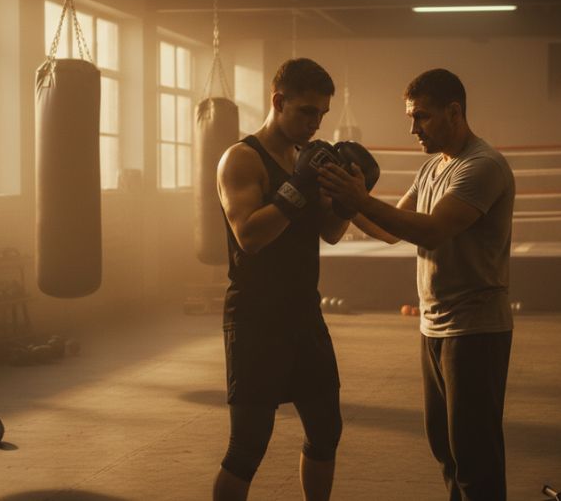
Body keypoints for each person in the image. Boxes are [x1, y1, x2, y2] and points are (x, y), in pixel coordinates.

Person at [319, 68, 516, 501]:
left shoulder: (482, 166)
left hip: (475, 330)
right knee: (445, 449)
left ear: (454, 112)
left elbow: (432, 231)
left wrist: (360, 199)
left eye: (422, 117)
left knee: (474, 456)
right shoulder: (431, 168)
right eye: (411, 117)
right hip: (434, 327)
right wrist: (341, 197)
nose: (413, 129)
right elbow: (390, 229)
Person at [213, 58, 351, 501]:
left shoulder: (304, 159)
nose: (316, 123)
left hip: (304, 312)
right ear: (278, 101)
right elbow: (249, 236)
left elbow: (330, 232)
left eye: (321, 114)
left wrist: (348, 197)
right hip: (255, 317)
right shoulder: (241, 158)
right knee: (247, 447)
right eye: (307, 111)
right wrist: (297, 188)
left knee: (327, 430)